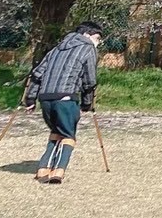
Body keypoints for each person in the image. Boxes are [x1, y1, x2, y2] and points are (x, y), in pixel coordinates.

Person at [23, 21, 103, 185]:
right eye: (97, 38)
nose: (98, 42)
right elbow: (90, 80)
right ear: (87, 35)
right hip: (66, 99)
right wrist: (87, 104)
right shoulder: (88, 48)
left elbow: (37, 74)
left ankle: (43, 168)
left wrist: (30, 99)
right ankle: (58, 170)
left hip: (45, 99)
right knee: (68, 134)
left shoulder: (56, 48)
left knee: (56, 130)